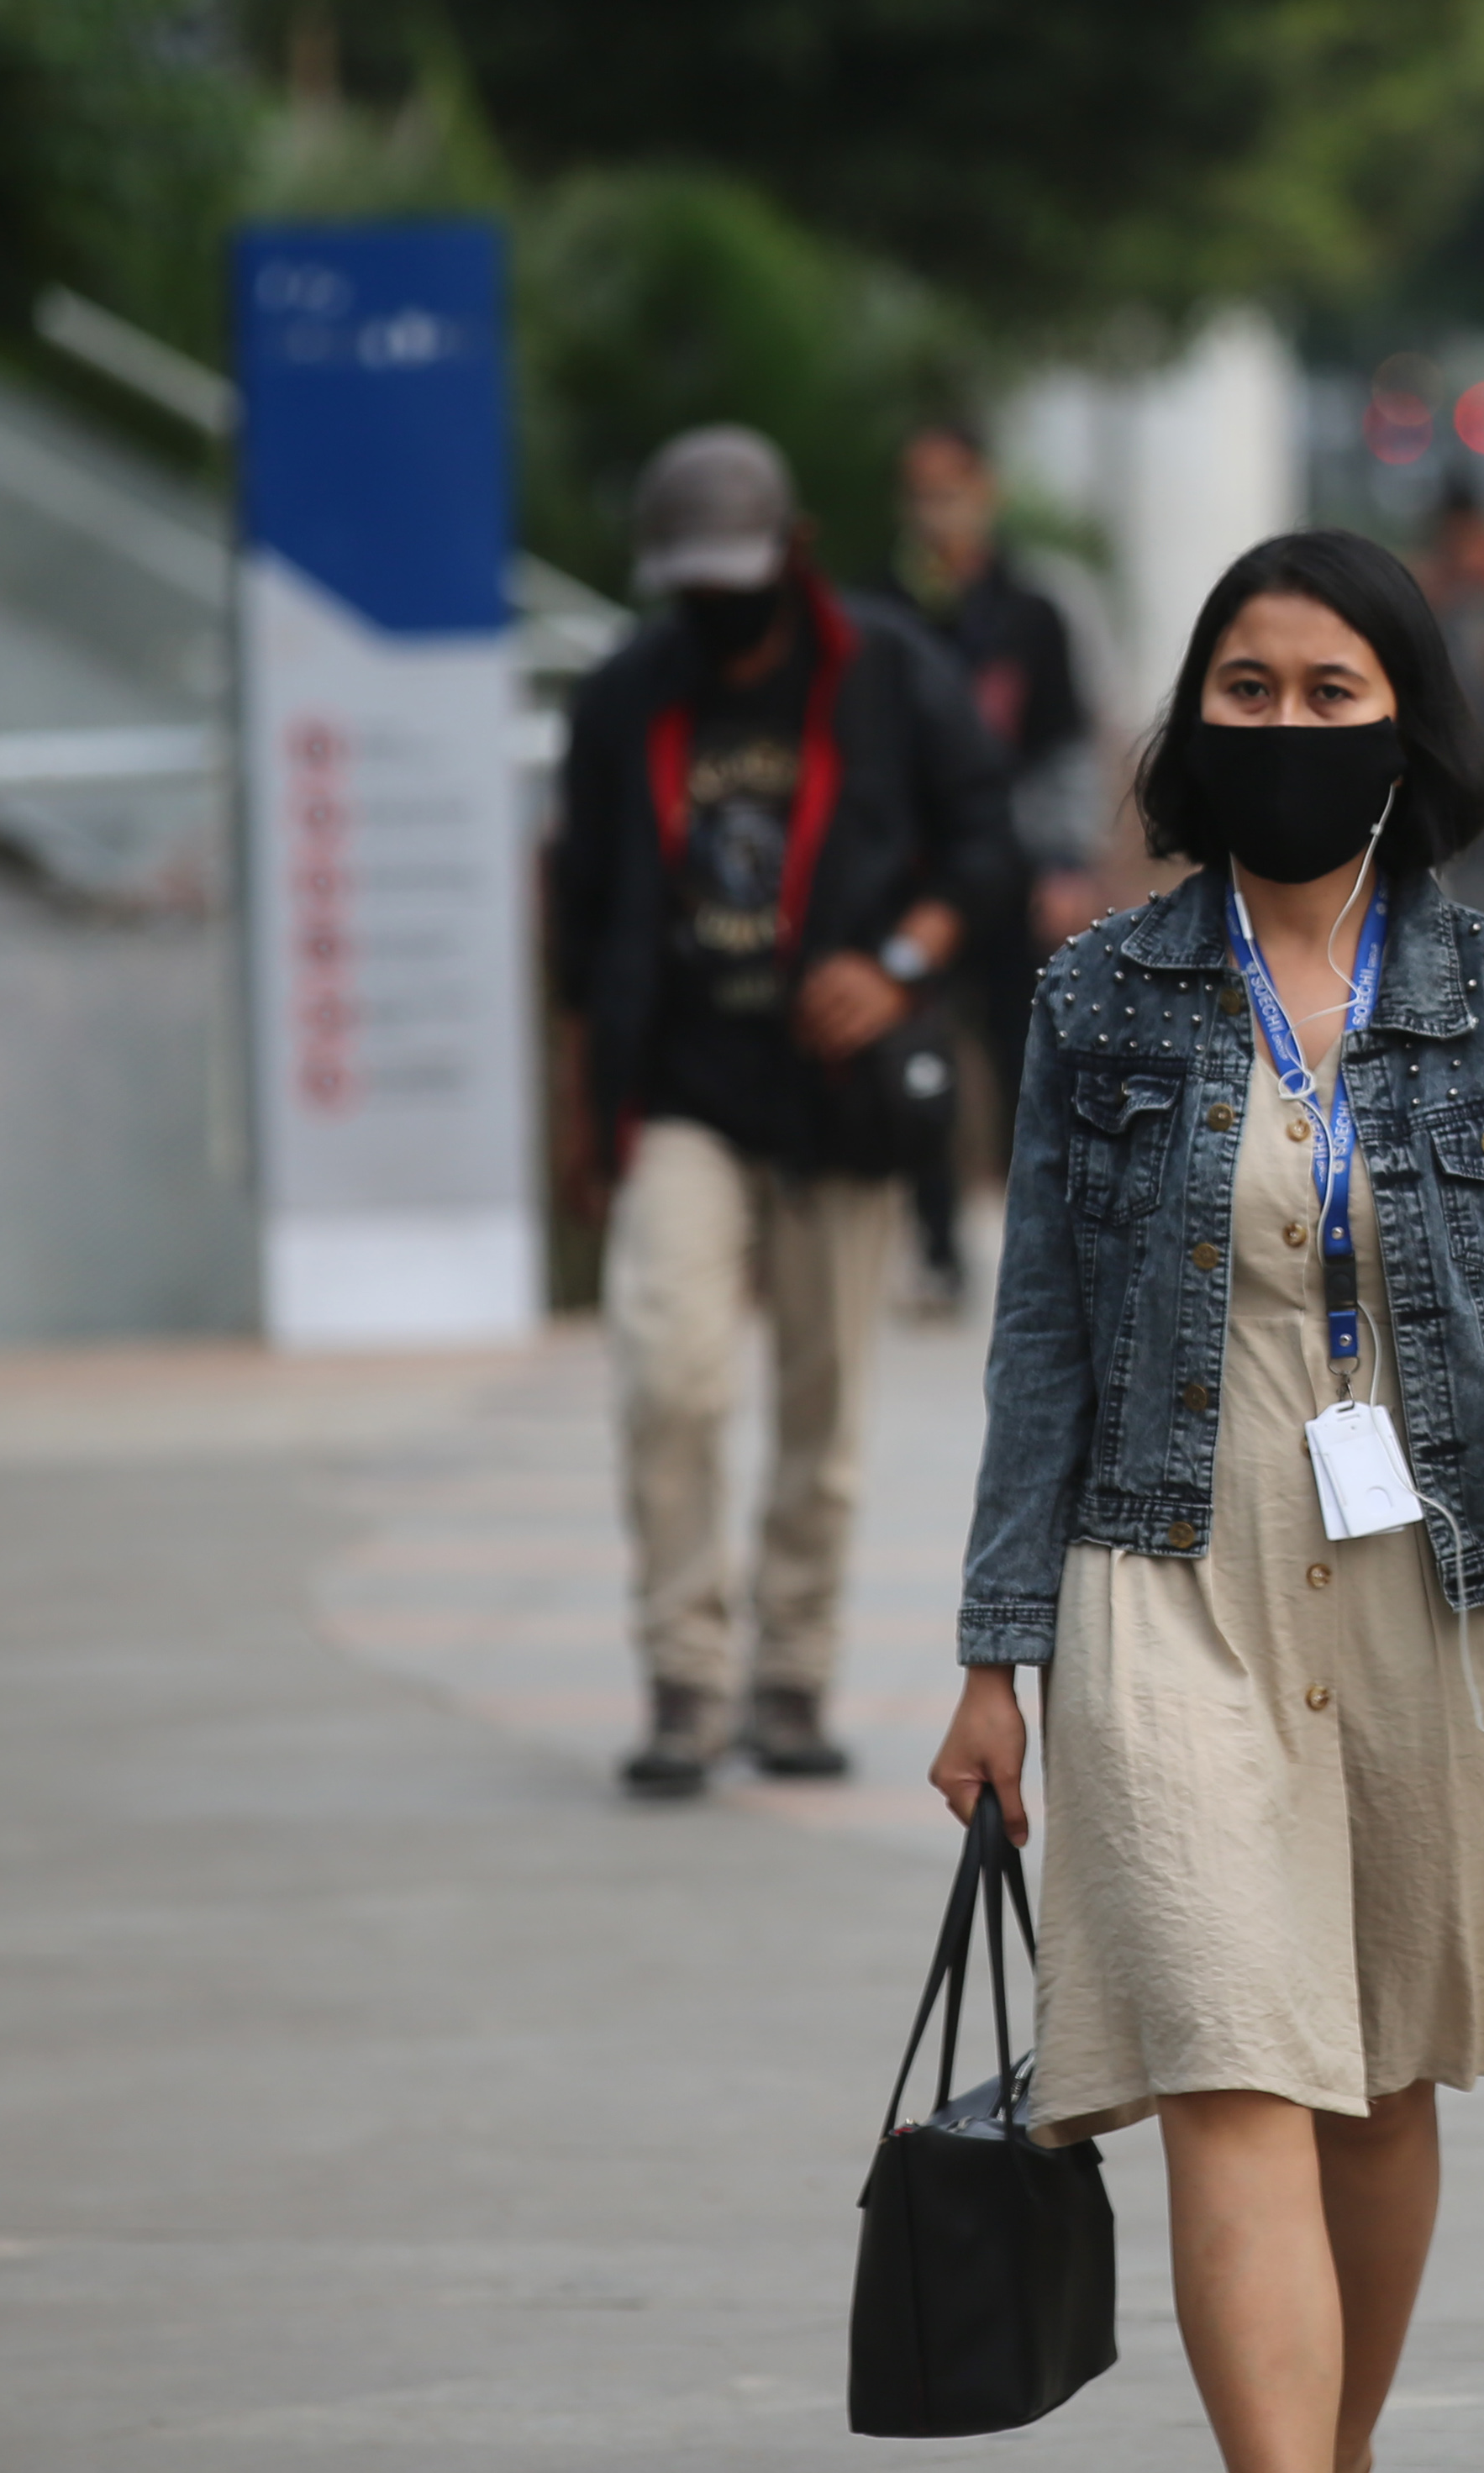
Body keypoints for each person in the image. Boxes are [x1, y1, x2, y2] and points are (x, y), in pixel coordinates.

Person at [928, 529, 1484, 2473]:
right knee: (1226, 2057)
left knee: (1371, 2078)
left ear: (1406, 726)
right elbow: (1041, 1347)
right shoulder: (1098, 995)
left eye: (1328, 694)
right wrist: (993, 1662)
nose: (1281, 727)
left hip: (1421, 1574)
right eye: (1243, 692)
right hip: (1162, 1570)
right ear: (1191, 720)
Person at [549, 424, 1015, 1796]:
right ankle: (686, 1671)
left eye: (733, 579)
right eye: (689, 585)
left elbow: (983, 846)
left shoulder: (886, 674)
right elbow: (579, 920)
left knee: (825, 1397)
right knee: (670, 1368)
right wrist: (589, 1112)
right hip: (685, 1086)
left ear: (792, 554)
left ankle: (792, 1670)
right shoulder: (628, 697)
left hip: (839, 1097)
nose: (714, 609)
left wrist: (899, 965)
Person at [881, 419, 1105, 1311]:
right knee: (916, 1066)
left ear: (985, 491)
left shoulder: (1030, 611)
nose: (937, 512)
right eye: (920, 491)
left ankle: (1043, 1247)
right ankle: (935, 1245)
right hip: (913, 881)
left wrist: (1064, 862)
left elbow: (1063, 747)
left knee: (1029, 1062)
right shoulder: (882, 611)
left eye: (951, 488)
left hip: (1013, 877)